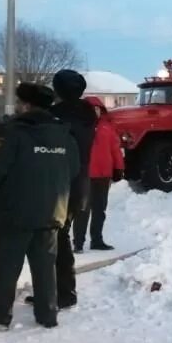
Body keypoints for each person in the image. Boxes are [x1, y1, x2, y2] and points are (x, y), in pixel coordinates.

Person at [0, 82, 79, 330]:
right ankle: (48, 315)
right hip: (52, 213)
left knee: (5, 267)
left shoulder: (13, 133)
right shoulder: (64, 134)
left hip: (14, 214)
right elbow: (73, 170)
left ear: (27, 105)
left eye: (20, 102)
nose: (18, 107)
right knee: (45, 268)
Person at [49, 70, 98, 307]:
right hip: (80, 183)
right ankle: (59, 290)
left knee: (55, 238)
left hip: (60, 185)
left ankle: (63, 293)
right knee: (60, 236)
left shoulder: (57, 118)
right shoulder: (87, 116)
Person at [73, 95, 124, 253]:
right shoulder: (78, 127)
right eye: (91, 109)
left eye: (97, 108)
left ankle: (97, 240)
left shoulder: (107, 127)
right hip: (85, 174)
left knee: (100, 209)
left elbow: (115, 149)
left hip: (104, 174)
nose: (94, 111)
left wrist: (118, 168)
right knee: (83, 210)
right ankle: (79, 243)